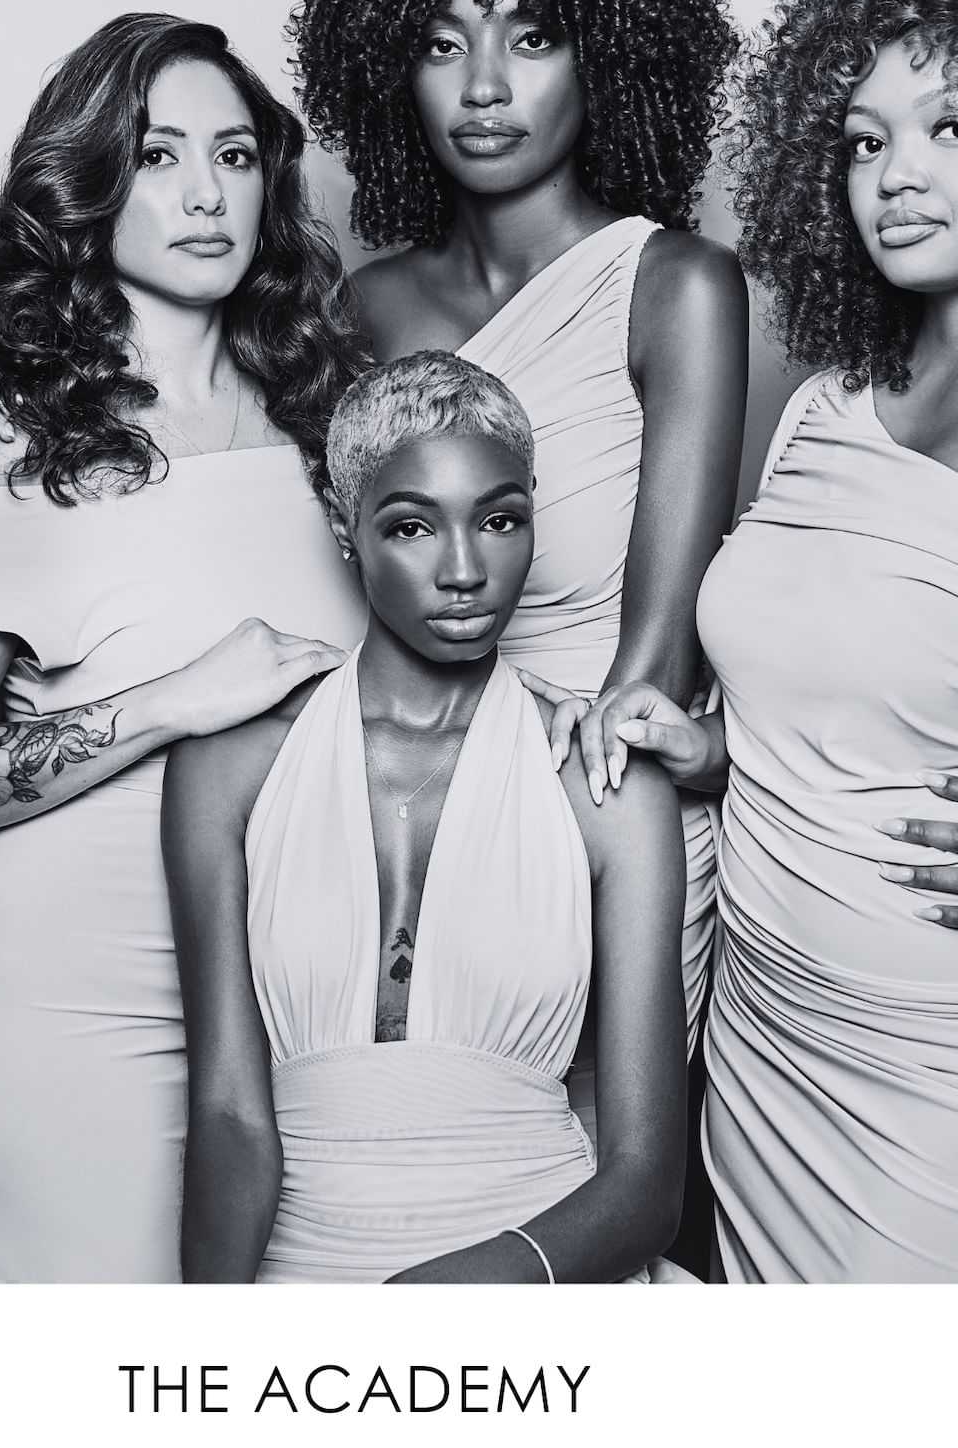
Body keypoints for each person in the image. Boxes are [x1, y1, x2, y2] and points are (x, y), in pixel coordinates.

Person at [0, 12, 369, 1281]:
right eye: (157, 155)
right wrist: (169, 703)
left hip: (309, 979)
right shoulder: (13, 429)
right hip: (81, 991)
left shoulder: (329, 419)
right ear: (89, 184)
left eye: (236, 156)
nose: (205, 194)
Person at [288, 0, 747, 1143]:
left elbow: (649, 669)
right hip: (394, 812)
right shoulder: (365, 307)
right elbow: (326, 576)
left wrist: (531, 846)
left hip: (609, 804)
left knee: (610, 1194)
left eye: (531, 38)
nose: (484, 89)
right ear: (391, 72)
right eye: (441, 44)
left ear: (606, 54)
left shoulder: (674, 289)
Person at [590, 0, 958, 1282]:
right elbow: (833, 689)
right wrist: (710, 750)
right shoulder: (826, 406)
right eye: (863, 140)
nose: (895, 175)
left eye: (955, 126)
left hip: (957, 1077)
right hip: (768, 1048)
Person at [164, 353, 688, 1282]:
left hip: (536, 1274)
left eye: (498, 521)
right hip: (303, 1272)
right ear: (344, 529)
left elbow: (646, 1182)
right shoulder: (229, 766)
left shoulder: (605, 785)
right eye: (411, 526)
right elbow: (230, 1122)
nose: (462, 571)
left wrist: (454, 1298)